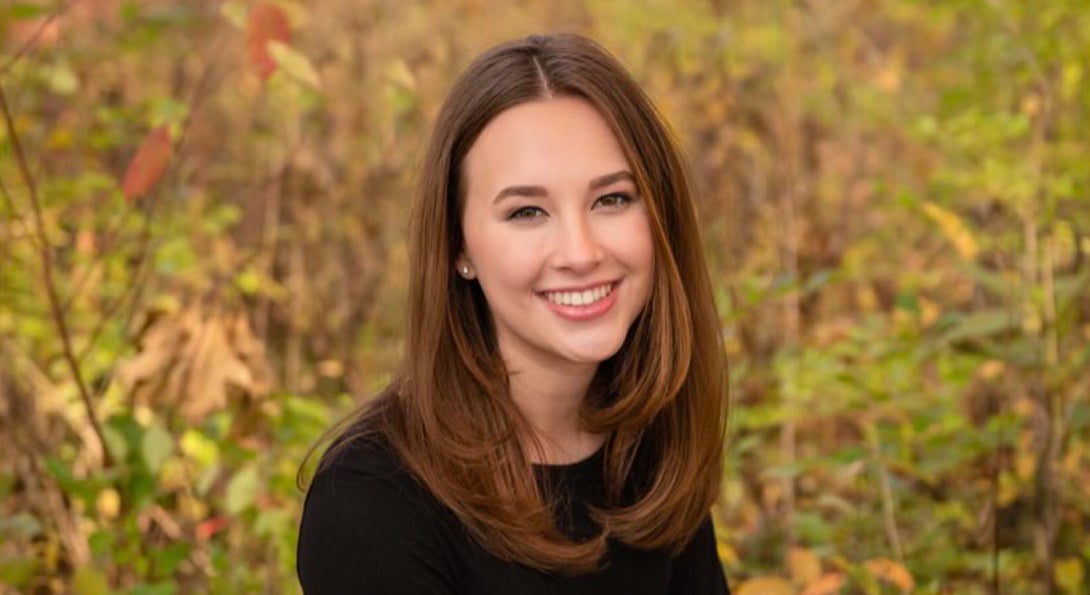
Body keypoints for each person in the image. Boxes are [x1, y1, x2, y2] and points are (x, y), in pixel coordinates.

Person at [297, 33, 730, 594]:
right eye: (527, 211)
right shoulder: (373, 499)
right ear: (458, 246)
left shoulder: (650, 454)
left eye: (612, 199)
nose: (580, 253)